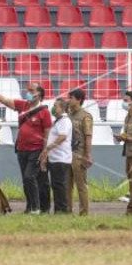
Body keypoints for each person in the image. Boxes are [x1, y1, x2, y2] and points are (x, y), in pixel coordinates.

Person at [0, 80, 51, 215]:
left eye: (31, 91)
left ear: (39, 95)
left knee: (30, 177)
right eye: (28, 90)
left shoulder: (44, 112)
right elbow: (5, 100)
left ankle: (36, 207)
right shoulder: (23, 105)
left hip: (36, 150)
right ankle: (30, 206)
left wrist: (45, 152)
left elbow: (47, 133)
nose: (28, 93)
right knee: (25, 179)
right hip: (22, 149)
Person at [39, 98, 73, 213]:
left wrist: (48, 148)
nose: (53, 108)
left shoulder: (65, 121)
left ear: (62, 108)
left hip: (61, 158)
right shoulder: (57, 121)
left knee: (59, 185)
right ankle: (57, 209)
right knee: (55, 184)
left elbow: (62, 137)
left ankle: (62, 209)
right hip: (54, 158)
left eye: (55, 106)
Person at [66, 88, 94, 216]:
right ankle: (67, 210)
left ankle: (84, 212)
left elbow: (88, 136)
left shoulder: (85, 116)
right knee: (67, 184)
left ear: (78, 100)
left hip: (79, 153)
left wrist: (87, 155)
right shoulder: (68, 116)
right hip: (67, 153)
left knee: (81, 185)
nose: (69, 100)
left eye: (71, 98)